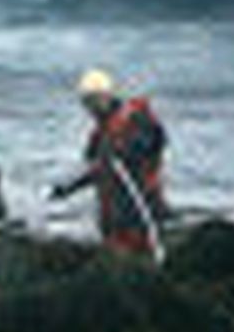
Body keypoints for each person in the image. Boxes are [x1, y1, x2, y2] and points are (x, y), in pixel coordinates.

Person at [48, 68, 168, 257]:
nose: (91, 108)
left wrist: (131, 149)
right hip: (113, 217)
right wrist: (68, 188)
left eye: (95, 100)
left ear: (108, 95)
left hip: (141, 210)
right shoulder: (99, 136)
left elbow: (155, 140)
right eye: (87, 102)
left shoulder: (136, 118)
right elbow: (96, 170)